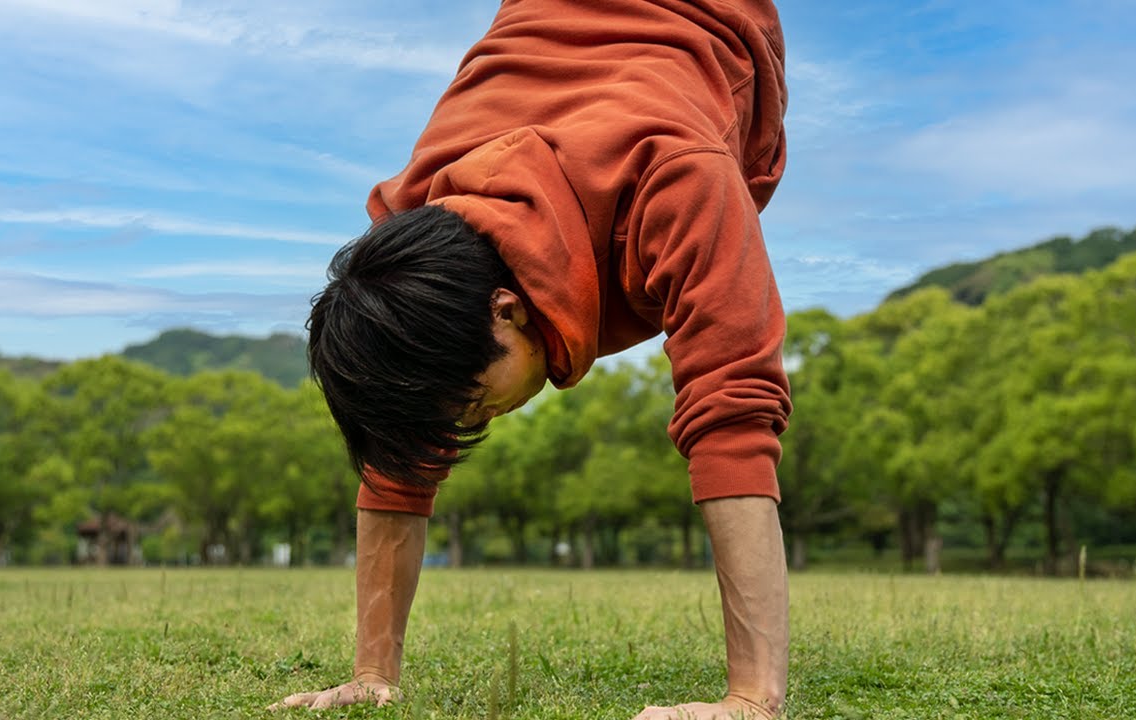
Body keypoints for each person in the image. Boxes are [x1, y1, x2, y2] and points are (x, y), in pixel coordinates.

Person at [274, 0, 792, 717]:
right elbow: (401, 446)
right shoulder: (407, 250)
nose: (474, 422)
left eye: (474, 404)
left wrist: (753, 698)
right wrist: (372, 674)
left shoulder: (677, 183)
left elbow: (733, 411)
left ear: (506, 307)